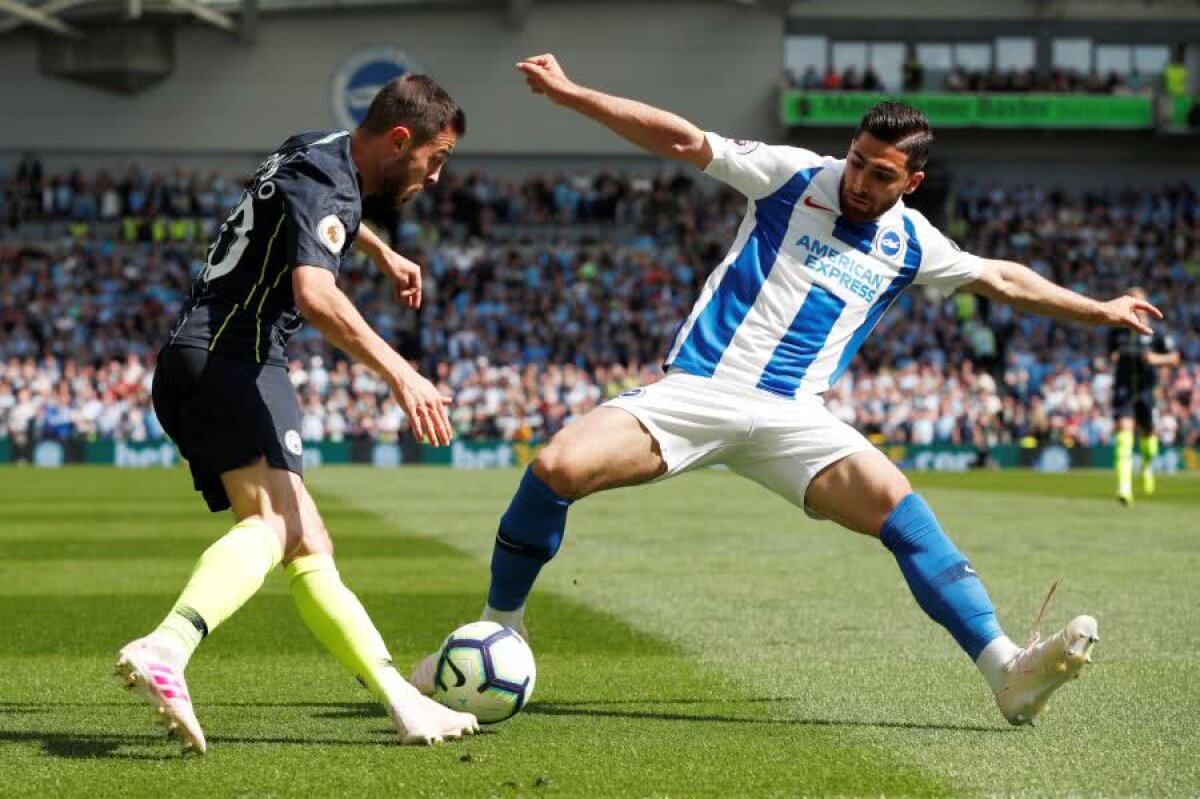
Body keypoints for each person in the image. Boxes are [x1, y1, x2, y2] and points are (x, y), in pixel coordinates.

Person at [413, 54, 1163, 728]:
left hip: (795, 419)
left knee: (903, 512)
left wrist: (1099, 308)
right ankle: (499, 626)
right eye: (858, 162)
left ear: (913, 181)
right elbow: (681, 140)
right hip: (702, 389)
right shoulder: (794, 175)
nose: (861, 182)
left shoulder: (914, 242)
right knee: (556, 469)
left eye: (881, 174)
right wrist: (573, 95)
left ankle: (1006, 671)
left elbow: (1003, 277)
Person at [115, 74, 479, 753]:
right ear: (401, 139)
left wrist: (380, 250)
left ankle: (403, 701)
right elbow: (313, 294)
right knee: (277, 527)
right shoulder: (336, 183)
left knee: (308, 540)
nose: (435, 176)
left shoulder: (313, 146)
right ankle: (167, 645)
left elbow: (312, 214)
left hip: (200, 355)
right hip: (238, 358)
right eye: (437, 157)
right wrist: (402, 375)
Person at [1108, 287, 1180, 504]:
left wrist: (1154, 360)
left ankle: (1147, 465)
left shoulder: (1156, 331)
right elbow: (1111, 353)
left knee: (1148, 435)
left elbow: (1174, 358)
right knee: (1124, 433)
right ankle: (1124, 485)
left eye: (1139, 303)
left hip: (1147, 391)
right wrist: (1115, 357)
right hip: (1124, 390)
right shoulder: (1117, 331)